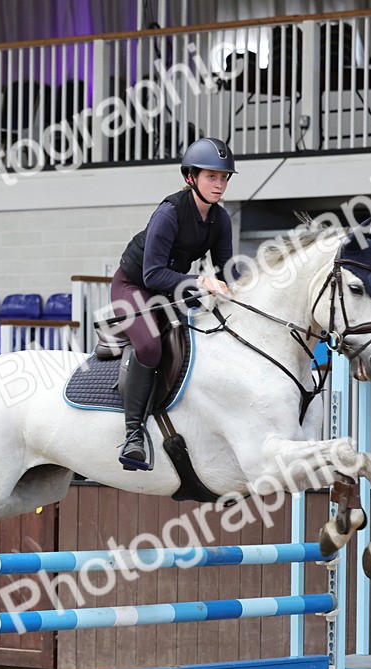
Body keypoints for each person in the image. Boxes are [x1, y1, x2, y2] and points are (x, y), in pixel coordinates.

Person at [111, 137, 235, 471]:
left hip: (170, 289)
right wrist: (199, 282)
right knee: (151, 347)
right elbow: (152, 274)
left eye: (223, 177)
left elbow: (226, 273)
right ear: (190, 178)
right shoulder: (169, 212)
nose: (219, 184)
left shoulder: (220, 220)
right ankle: (133, 434)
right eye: (211, 176)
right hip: (134, 286)